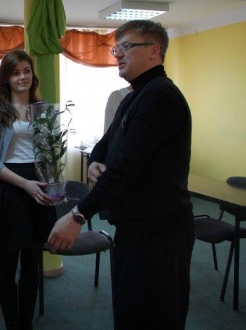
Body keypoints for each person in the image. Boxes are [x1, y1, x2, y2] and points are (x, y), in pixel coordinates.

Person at [48, 20, 194, 329]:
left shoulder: (159, 96)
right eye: (117, 49)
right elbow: (104, 145)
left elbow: (126, 168)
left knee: (154, 316)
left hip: (159, 232)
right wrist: (94, 163)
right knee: (130, 311)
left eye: (127, 47)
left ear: (154, 51)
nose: (118, 55)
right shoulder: (134, 96)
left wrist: (77, 215)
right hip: (135, 227)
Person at [0, 49, 56, 330]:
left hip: (39, 185)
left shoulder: (44, 109)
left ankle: (26, 323)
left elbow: (51, 152)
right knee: (8, 265)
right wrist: (24, 183)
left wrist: (52, 179)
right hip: (11, 186)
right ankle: (12, 324)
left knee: (32, 264)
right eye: (15, 72)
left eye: (26, 71)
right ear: (6, 78)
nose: (22, 77)